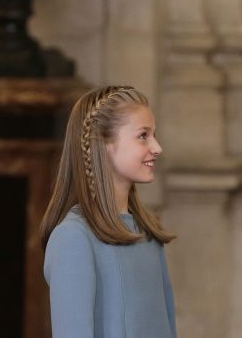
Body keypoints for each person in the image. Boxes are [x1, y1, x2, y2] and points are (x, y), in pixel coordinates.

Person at [40, 86, 178, 338]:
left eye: (154, 135)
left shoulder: (147, 234)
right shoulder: (73, 238)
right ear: (104, 144)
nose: (157, 147)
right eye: (143, 135)